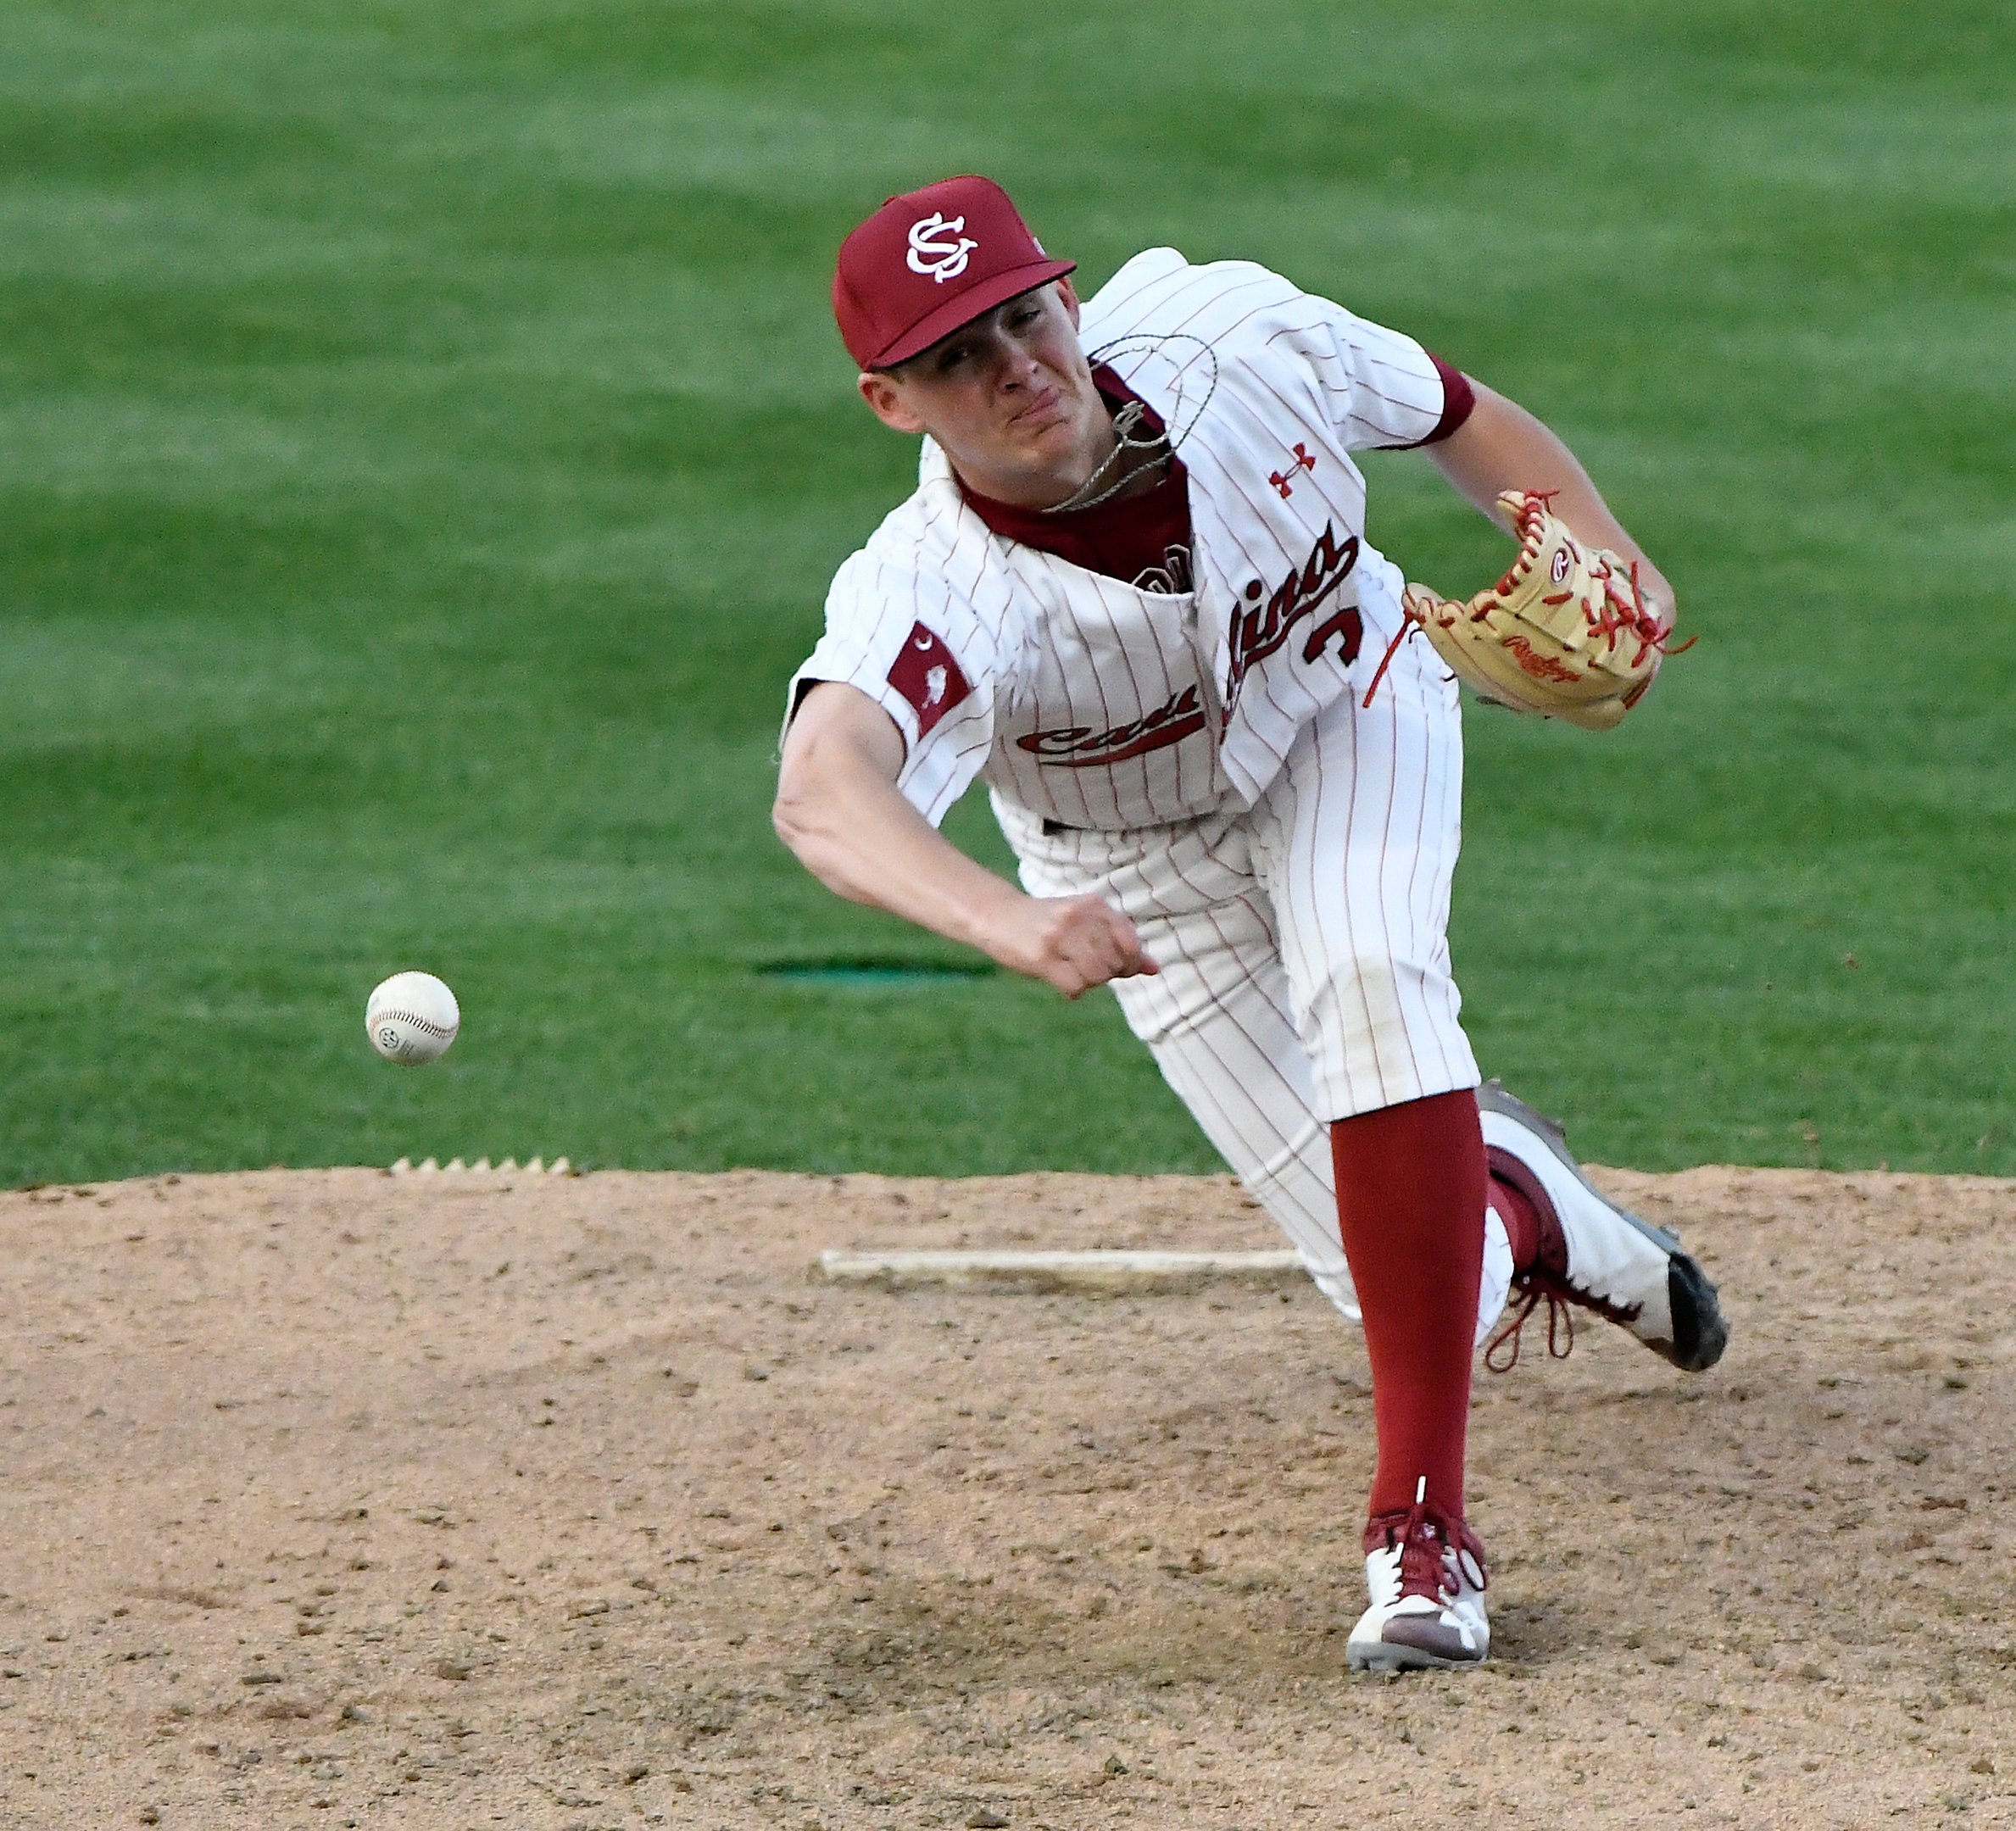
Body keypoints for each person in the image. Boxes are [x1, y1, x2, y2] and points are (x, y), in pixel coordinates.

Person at [772, 175, 1727, 1671]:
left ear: (1069, 303)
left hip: (1350, 704)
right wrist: (999, 922)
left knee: (1369, 970)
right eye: (958, 355)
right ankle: (1533, 1203)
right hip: (1131, 864)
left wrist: (1606, 552)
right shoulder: (935, 586)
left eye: (1024, 317)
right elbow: (825, 789)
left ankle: (1423, 1537)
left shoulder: (1239, 336)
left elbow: (1454, 409)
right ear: (890, 402)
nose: (1015, 366)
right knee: (1413, 1281)